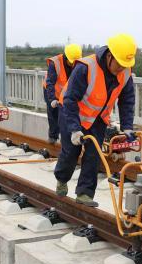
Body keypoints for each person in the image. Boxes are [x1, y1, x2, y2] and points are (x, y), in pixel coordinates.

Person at [54, 34, 137, 207]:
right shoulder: (86, 67)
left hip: (98, 119)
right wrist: (75, 129)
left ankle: (84, 194)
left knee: (94, 155)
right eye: (119, 63)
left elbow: (127, 100)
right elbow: (70, 99)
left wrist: (127, 126)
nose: (122, 68)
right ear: (109, 56)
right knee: (71, 153)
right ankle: (61, 179)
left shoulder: (126, 73)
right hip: (72, 114)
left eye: (125, 64)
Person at [42, 44, 82, 144]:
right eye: (71, 62)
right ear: (66, 57)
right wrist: (52, 99)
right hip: (51, 91)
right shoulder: (55, 63)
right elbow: (50, 82)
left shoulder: (78, 64)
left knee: (66, 114)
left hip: (66, 93)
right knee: (53, 113)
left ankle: (66, 139)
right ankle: (53, 136)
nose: (73, 65)